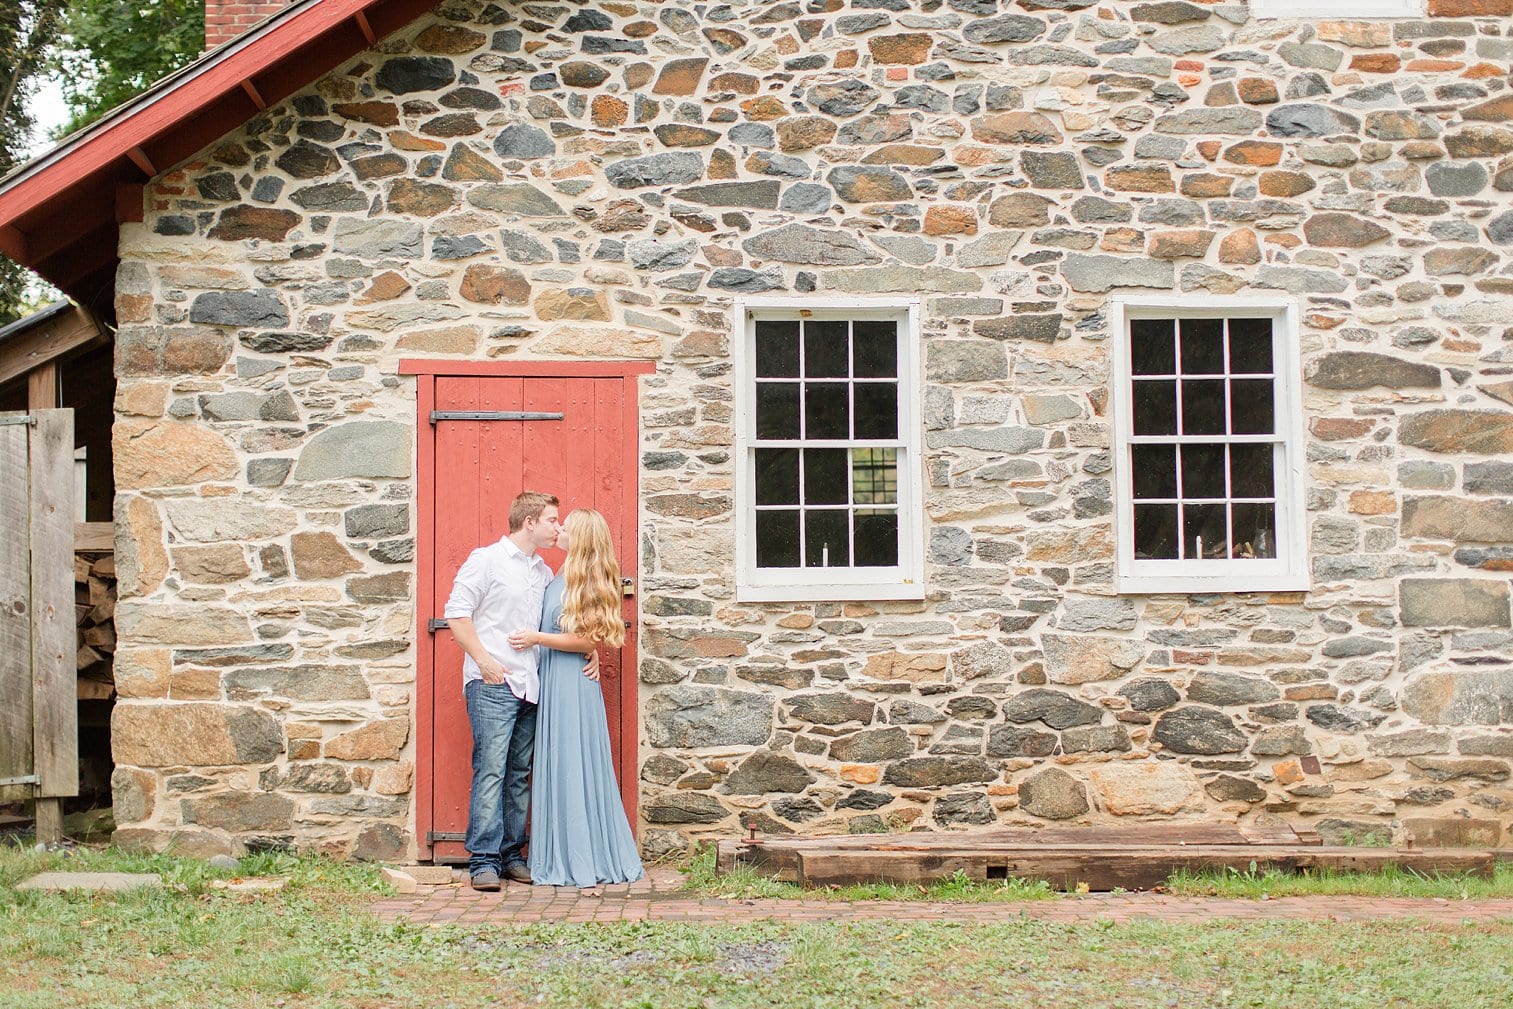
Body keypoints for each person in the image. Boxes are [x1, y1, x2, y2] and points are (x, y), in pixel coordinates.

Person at [443, 491, 596, 892]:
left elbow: (561, 623)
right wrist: (484, 661)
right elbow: (456, 614)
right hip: (493, 682)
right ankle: (484, 861)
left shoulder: (543, 572)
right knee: (491, 770)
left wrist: (592, 649)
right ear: (530, 522)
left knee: (518, 776)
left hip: (531, 686)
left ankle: (512, 855)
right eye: (551, 520)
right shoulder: (487, 560)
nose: (557, 527)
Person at [508, 508, 644, 892]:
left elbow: (586, 640)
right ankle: (560, 851)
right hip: (554, 679)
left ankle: (583, 855)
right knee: (557, 763)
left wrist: (537, 638)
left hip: (571, 685)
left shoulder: (586, 580)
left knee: (573, 764)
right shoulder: (560, 573)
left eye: (566, 525)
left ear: (580, 536)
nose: (560, 528)